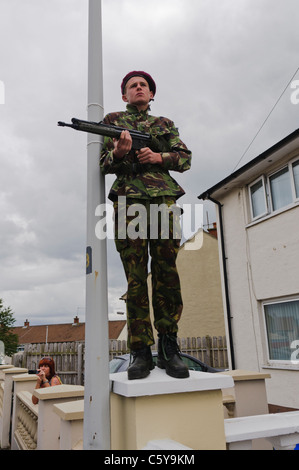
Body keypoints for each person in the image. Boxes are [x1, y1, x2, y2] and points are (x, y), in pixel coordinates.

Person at [100, 71, 192, 380]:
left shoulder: (164, 124)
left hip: (164, 199)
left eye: (144, 86)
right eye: (132, 86)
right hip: (130, 201)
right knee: (135, 277)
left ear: (151, 94)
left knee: (167, 271)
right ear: (124, 96)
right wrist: (119, 152)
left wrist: (157, 155)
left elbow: (184, 158)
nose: (139, 88)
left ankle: (169, 347)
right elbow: (102, 163)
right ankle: (140, 351)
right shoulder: (112, 120)